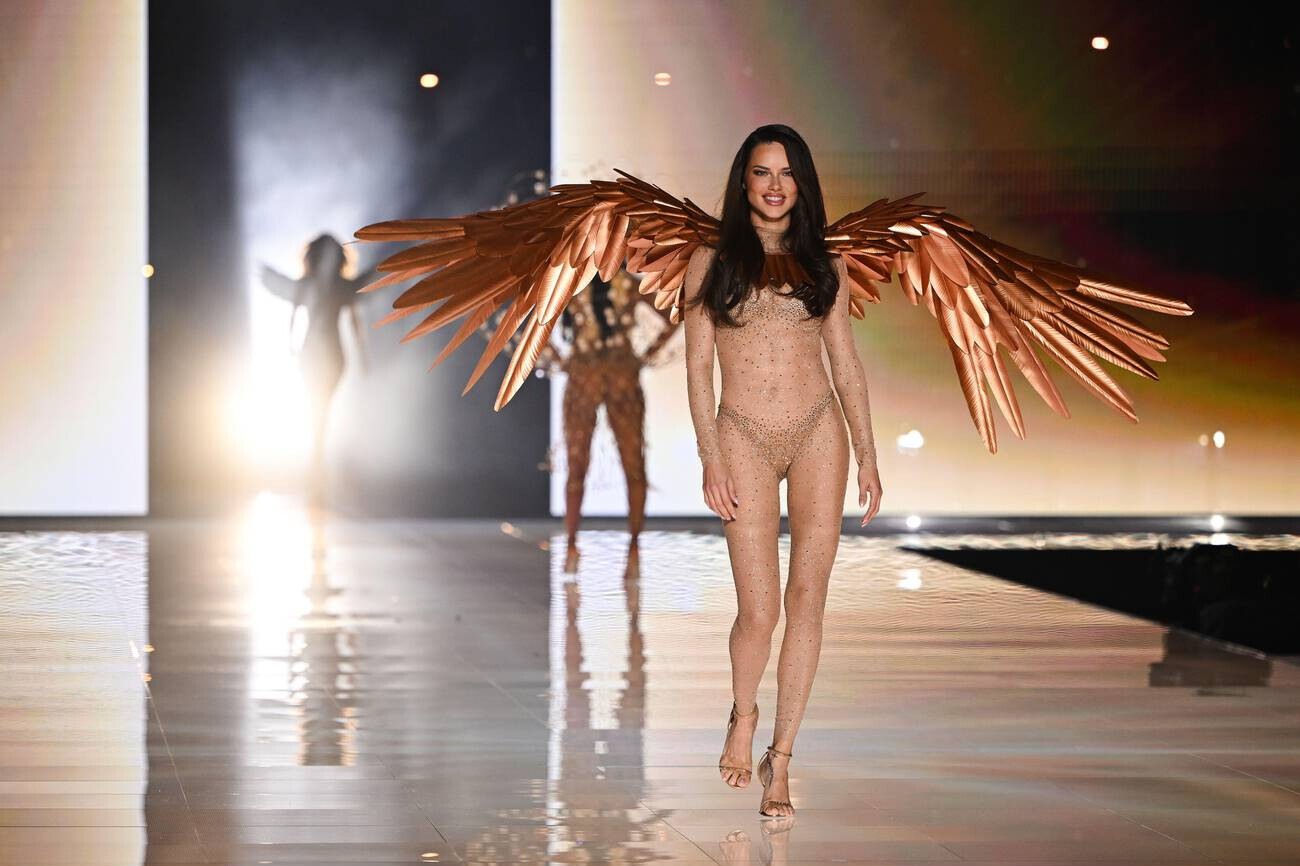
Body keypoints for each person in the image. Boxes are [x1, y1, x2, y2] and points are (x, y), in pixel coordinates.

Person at [682, 125, 883, 818]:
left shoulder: (826, 263)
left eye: (788, 173)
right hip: (742, 433)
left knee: (807, 602)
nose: (775, 185)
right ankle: (743, 716)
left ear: (803, 183)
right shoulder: (710, 260)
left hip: (818, 430)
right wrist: (710, 456)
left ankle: (783, 757)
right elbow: (697, 368)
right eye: (763, 172)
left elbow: (845, 363)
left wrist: (868, 453)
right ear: (743, 180)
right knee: (760, 610)